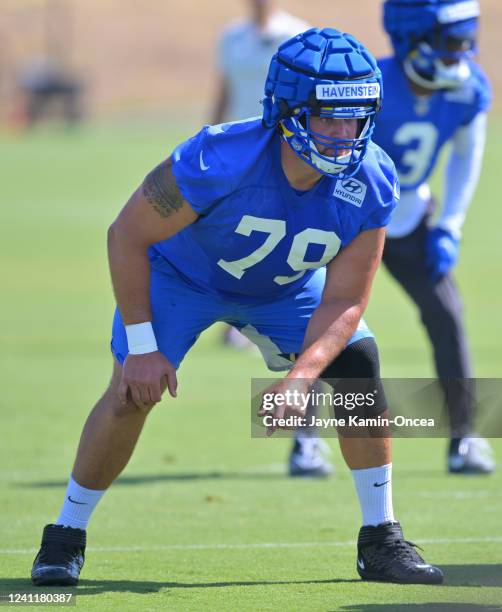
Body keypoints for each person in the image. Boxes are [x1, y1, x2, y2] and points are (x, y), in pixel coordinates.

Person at [31, 28, 443, 587]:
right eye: (328, 117)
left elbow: (345, 298)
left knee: (358, 368)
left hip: (282, 289)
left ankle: (381, 539)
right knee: (130, 393)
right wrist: (145, 348)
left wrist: (300, 379)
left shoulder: (371, 178)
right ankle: (64, 537)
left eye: (356, 117)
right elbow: (127, 235)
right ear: (288, 111)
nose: (345, 134)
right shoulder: (216, 159)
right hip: (182, 277)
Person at [373, 0, 495, 474]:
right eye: (448, 48)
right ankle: (305, 438)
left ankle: (464, 437)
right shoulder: (373, 86)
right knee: (320, 324)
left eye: (464, 46)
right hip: (346, 221)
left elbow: (468, 155)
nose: (458, 60)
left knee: (447, 314)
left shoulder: (468, 92)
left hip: (410, 216)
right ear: (413, 40)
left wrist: (450, 226)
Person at [211, 0, 308, 124]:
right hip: (241, 131)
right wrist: (209, 137)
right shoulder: (231, 36)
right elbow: (225, 93)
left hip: (281, 132)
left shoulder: (296, 34)